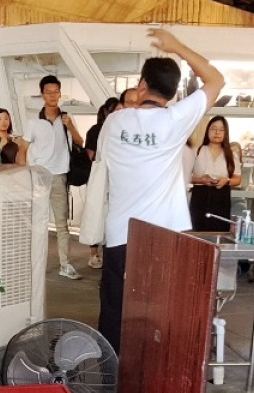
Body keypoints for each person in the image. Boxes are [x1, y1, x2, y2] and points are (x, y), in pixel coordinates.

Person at [98, 29, 223, 349]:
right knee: (163, 314)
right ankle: (158, 374)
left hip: (122, 234)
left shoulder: (114, 123)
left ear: (141, 85)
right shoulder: (176, 120)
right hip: (167, 235)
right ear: (173, 92)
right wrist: (178, 47)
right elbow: (216, 80)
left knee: (116, 313)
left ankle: (112, 372)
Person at [25, 74, 86, 280]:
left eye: (56, 91)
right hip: (39, 177)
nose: (52, 95)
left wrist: (69, 126)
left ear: (60, 93)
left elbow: (79, 141)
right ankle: (35, 264)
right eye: (48, 92)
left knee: (61, 223)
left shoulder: (66, 119)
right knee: (37, 222)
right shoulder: (34, 121)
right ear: (42, 94)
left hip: (60, 175)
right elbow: (23, 147)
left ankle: (64, 264)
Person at [79, 95, 123, 270]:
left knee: (109, 218)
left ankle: (107, 253)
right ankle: (94, 253)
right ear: (107, 112)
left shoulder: (125, 130)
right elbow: (92, 155)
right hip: (99, 178)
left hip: (116, 181)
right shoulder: (97, 130)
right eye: (117, 110)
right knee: (97, 214)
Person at [189, 116, 240, 233]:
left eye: (221, 130)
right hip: (200, 196)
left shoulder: (231, 154)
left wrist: (227, 181)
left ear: (226, 133)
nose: (217, 132)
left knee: (219, 230)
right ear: (207, 130)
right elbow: (184, 177)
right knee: (198, 231)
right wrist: (201, 180)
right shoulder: (197, 151)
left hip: (221, 197)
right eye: (214, 129)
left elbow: (238, 179)